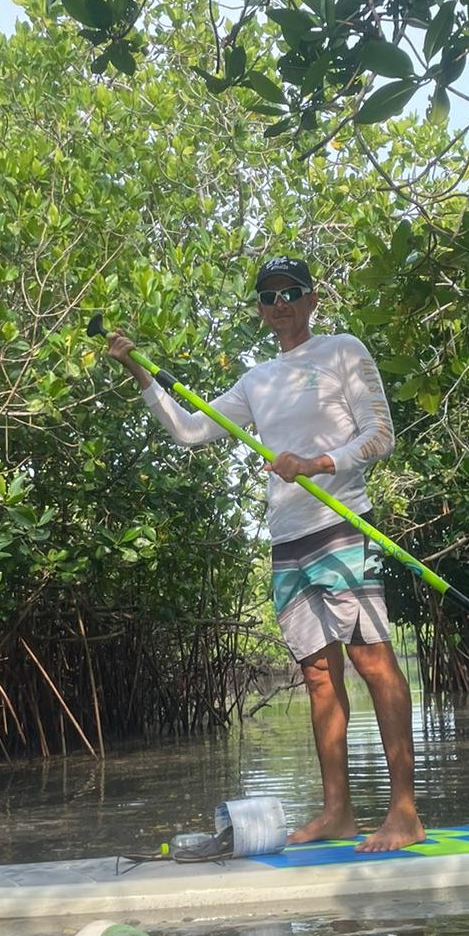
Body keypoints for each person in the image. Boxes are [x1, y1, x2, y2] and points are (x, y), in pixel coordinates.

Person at [106, 256, 425, 853]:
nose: (280, 303)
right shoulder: (256, 381)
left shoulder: (341, 350)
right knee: (317, 677)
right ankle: (338, 813)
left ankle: (403, 811)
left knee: (372, 660)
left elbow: (380, 435)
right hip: (287, 538)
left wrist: (316, 463)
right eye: (269, 295)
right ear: (259, 308)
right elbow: (190, 431)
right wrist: (139, 374)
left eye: (291, 292)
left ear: (311, 299)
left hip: (341, 523)